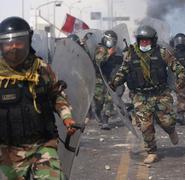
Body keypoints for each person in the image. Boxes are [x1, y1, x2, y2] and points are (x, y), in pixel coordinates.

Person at [0, 16, 77, 179]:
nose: (14, 47)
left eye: (19, 42)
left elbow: (56, 95)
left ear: (28, 41)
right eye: (8, 43)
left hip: (42, 146)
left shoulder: (41, 69)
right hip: (7, 152)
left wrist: (67, 118)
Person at [110, 25, 185, 164]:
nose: (144, 44)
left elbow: (178, 67)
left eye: (147, 41)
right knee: (145, 126)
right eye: (142, 41)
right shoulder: (130, 54)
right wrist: (114, 83)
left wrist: (180, 78)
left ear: (153, 41)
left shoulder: (162, 53)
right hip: (140, 96)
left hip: (160, 93)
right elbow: (123, 71)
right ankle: (152, 152)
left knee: (167, 122)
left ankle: (171, 131)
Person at [93, 30, 124, 130]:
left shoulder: (116, 50)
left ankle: (105, 119)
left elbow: (120, 63)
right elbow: (98, 61)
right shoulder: (100, 48)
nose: (111, 42)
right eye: (110, 40)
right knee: (99, 100)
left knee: (110, 99)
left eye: (113, 40)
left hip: (111, 79)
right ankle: (97, 112)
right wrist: (109, 54)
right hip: (100, 79)